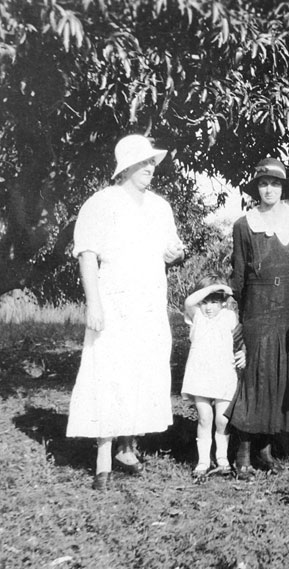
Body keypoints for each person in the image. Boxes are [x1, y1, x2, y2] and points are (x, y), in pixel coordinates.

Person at [67, 134, 184, 490]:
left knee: (142, 372)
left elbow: (172, 249)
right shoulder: (101, 203)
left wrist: (176, 254)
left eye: (152, 163)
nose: (150, 169)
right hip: (114, 300)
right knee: (108, 371)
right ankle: (103, 457)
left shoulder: (160, 207)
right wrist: (94, 304)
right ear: (126, 168)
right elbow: (87, 255)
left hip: (149, 302)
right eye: (143, 163)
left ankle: (128, 448)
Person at [230, 157, 289, 473]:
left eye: (275, 183)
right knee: (255, 375)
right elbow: (238, 274)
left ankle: (265, 451)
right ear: (256, 188)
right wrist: (233, 313)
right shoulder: (243, 224)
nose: (269, 189)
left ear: (283, 188)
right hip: (258, 306)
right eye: (263, 183)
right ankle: (243, 452)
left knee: (281, 377)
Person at [180, 277, 246, 477]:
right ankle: (202, 461)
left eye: (214, 302)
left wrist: (243, 353)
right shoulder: (196, 315)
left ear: (223, 301)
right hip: (200, 375)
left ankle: (222, 458)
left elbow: (241, 340)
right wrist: (215, 287)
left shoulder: (229, 316)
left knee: (222, 420)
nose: (208, 307)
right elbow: (189, 302)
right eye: (205, 302)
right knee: (204, 417)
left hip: (224, 374)